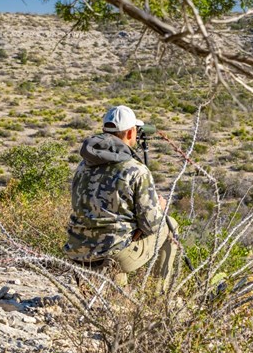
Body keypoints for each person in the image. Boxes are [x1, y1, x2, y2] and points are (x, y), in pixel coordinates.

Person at [64, 105, 177, 284]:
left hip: (77, 249)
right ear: (131, 133)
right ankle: (158, 294)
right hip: (112, 253)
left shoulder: (83, 165)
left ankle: (114, 288)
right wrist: (160, 209)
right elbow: (151, 225)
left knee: (117, 235)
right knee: (170, 226)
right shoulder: (136, 170)